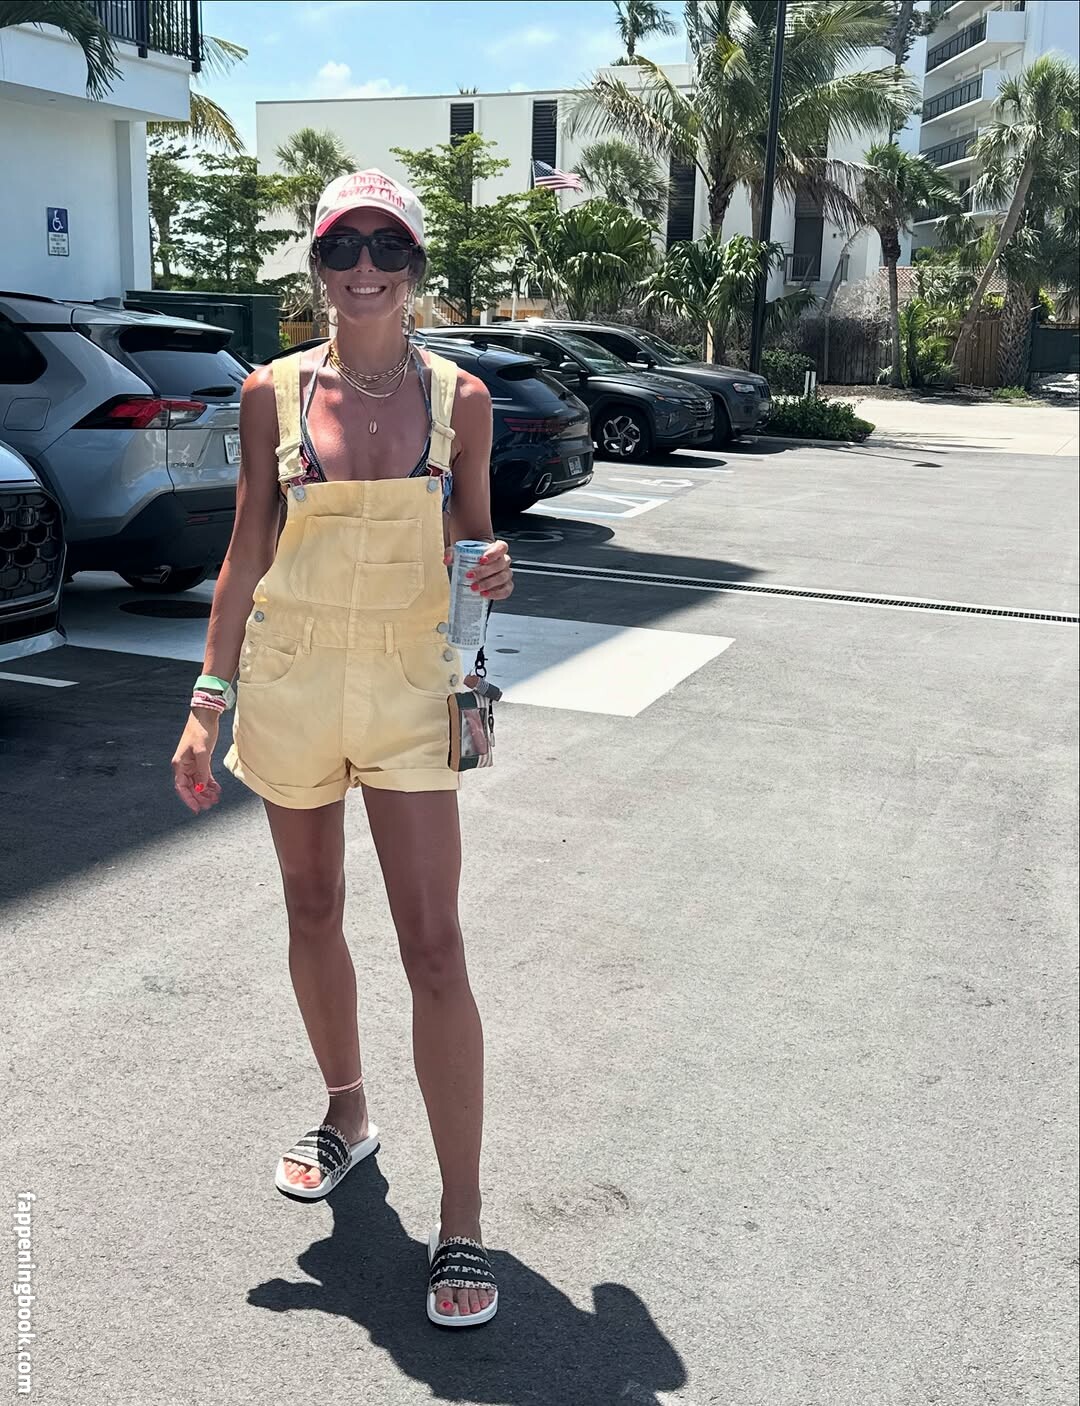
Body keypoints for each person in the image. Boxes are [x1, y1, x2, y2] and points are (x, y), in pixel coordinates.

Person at [170, 169, 513, 1329]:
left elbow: (473, 547)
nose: (365, 267)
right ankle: (348, 1111)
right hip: (295, 680)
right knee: (311, 906)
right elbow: (244, 550)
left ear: (416, 265)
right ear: (316, 262)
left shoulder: (463, 399)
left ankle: (462, 1213)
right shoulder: (269, 394)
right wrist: (209, 697)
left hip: (414, 683)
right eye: (342, 245)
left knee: (435, 945)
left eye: (388, 246)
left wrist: (493, 573)